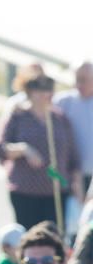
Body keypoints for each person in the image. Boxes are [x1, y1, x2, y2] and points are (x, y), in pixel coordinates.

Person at [0, 70, 83, 230]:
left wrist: (77, 189)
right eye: (41, 90)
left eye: (49, 90)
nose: (46, 94)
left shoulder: (59, 119)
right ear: (30, 92)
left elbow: (73, 157)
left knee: (54, 235)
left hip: (55, 191)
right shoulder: (18, 116)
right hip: (25, 191)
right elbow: (0, 147)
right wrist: (23, 149)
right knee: (29, 235)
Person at [55, 61, 93, 193]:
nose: (79, 84)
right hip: (69, 175)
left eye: (84, 80)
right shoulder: (64, 101)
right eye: (77, 79)